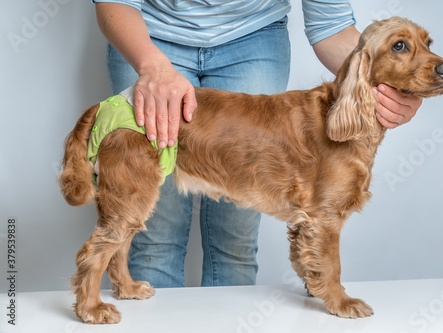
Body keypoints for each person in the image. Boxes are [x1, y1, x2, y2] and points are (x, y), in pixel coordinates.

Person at [92, 0, 422, 288]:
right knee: (153, 232)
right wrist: (152, 65)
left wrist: (391, 88)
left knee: (235, 237)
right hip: (147, 33)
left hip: (253, 40)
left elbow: (331, 23)